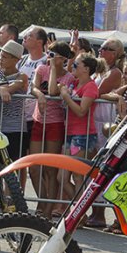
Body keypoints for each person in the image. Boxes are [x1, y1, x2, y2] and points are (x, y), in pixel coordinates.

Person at [28, 41, 76, 218]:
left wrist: (55, 69)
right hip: (38, 120)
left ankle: (48, 209)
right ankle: (43, 200)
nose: (49, 57)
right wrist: (40, 95)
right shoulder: (41, 69)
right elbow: (34, 87)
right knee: (33, 167)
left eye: (53, 55)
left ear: (62, 58)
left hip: (55, 123)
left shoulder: (68, 77)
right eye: (49, 54)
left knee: (50, 169)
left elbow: (53, 91)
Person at [51, 53, 99, 204]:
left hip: (83, 135)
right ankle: (79, 209)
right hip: (71, 134)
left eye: (76, 64)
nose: (72, 66)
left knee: (78, 176)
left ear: (86, 68)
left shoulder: (90, 86)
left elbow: (81, 111)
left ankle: (80, 212)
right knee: (62, 177)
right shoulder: (75, 83)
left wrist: (66, 96)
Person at [0, 40, 29, 162]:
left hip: (16, 128)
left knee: (14, 163)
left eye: (5, 57)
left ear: (16, 59)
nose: (1, 59)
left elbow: (11, 89)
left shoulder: (21, 76)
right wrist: (0, 88)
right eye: (1, 56)